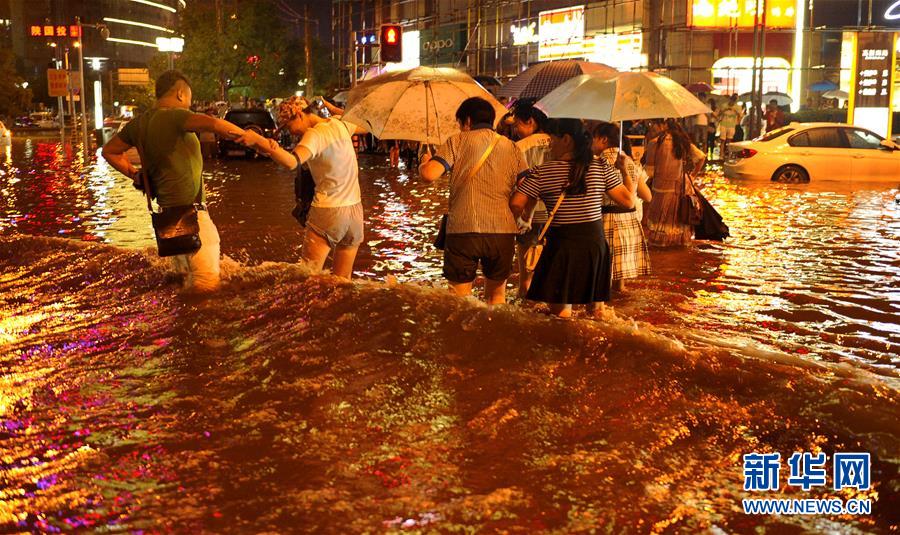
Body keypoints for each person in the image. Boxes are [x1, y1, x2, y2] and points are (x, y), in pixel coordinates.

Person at [101, 70, 248, 293]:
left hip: (169, 225)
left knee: (184, 286)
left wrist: (136, 175)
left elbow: (109, 151)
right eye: (189, 97)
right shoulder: (176, 116)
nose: (189, 103)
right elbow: (214, 124)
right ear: (180, 93)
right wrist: (252, 138)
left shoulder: (139, 124)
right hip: (194, 218)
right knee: (207, 289)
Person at [510, 119, 633, 318]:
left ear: (566, 140)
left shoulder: (542, 171)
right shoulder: (601, 166)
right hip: (595, 246)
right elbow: (628, 202)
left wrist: (524, 219)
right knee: (597, 313)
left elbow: (516, 203)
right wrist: (624, 171)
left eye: (552, 140)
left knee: (560, 315)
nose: (550, 146)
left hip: (562, 247)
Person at [239, 96, 368, 279]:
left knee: (307, 278)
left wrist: (258, 141)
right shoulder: (340, 123)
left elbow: (292, 162)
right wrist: (332, 108)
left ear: (299, 114)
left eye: (288, 126)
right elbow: (366, 126)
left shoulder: (314, 134)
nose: (290, 132)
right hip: (355, 213)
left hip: (329, 211)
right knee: (343, 282)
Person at [418, 97, 527, 305]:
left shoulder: (457, 141)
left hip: (463, 230)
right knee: (497, 298)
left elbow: (430, 175)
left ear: (467, 121)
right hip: (502, 231)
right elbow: (526, 186)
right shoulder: (512, 147)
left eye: (460, 123)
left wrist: (424, 162)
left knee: (459, 300)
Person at [592, 122, 652, 292]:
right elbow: (646, 196)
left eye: (594, 138)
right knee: (620, 282)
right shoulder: (631, 163)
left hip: (606, 220)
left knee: (602, 279)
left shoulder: (597, 162)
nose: (591, 143)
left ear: (603, 140)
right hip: (629, 221)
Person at [510, 99, 552, 297]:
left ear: (530, 121)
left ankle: (525, 304)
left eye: (517, 124)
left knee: (525, 277)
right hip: (555, 215)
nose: (515, 129)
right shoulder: (559, 143)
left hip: (527, 216)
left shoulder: (518, 147)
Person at [643, 118, 706, 247]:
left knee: (661, 224)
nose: (652, 127)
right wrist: (692, 176)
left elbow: (650, 172)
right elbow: (701, 158)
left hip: (661, 189)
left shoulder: (654, 143)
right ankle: (679, 247)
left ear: (663, 125)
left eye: (653, 124)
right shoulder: (682, 142)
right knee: (679, 221)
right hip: (682, 187)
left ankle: (663, 247)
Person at [715, 94, 743, 159]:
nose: (733, 101)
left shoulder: (738, 107)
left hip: (732, 125)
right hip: (723, 124)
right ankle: (721, 154)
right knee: (722, 140)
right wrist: (724, 110)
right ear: (730, 99)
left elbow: (740, 116)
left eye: (735, 100)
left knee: (729, 141)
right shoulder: (724, 105)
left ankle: (728, 154)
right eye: (733, 99)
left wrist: (735, 112)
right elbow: (719, 114)